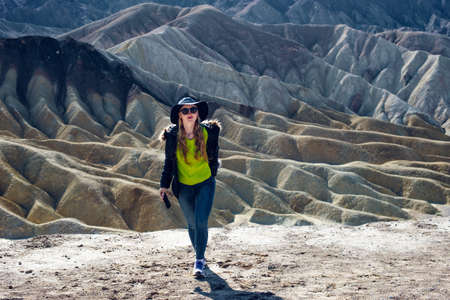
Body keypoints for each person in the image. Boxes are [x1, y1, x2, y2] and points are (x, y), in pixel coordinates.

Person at [159, 96, 221, 278]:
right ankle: (199, 255)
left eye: (193, 110)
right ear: (179, 115)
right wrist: (164, 186)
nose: (190, 113)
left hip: (205, 183)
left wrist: (213, 172)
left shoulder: (209, 133)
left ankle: (199, 260)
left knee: (201, 221)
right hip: (184, 187)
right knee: (192, 224)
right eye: (185, 110)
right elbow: (168, 163)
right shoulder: (172, 136)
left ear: (198, 113)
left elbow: (214, 155)